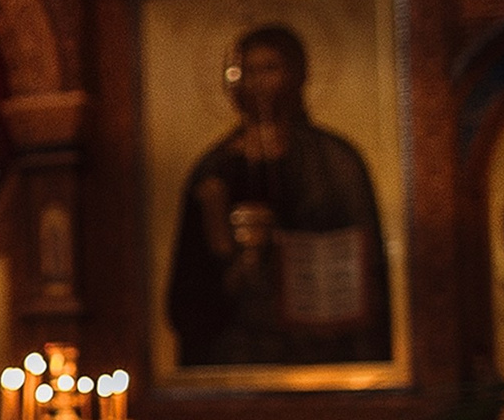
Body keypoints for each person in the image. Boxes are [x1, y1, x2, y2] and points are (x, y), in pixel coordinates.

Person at [165, 24, 392, 367]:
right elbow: (191, 280)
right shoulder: (215, 168)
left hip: (321, 342)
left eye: (270, 69)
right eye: (248, 71)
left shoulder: (335, 160)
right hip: (237, 345)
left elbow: (364, 258)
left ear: (296, 74)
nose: (258, 83)